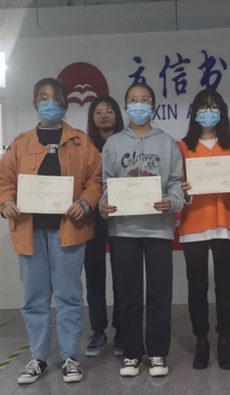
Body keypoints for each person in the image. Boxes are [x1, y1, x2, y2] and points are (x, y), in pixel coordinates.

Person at [0, 78, 102, 384]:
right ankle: (39, 357)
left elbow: (96, 179)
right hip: (29, 231)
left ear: (65, 102)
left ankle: (70, 357)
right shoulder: (20, 144)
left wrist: (85, 202)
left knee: (69, 296)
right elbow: (4, 181)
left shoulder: (81, 142)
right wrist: (6, 203)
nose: (50, 103)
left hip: (68, 230)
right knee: (34, 298)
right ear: (35, 103)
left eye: (56, 97)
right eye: (43, 97)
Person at [100, 83, 183, 378]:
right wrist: (104, 205)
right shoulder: (113, 144)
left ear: (153, 107)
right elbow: (106, 184)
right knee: (129, 295)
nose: (138, 104)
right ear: (126, 107)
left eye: (144, 99)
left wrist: (172, 201)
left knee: (159, 293)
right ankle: (132, 354)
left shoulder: (167, 143)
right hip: (123, 230)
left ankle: (158, 352)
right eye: (133, 100)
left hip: (158, 229)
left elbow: (175, 182)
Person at [178, 89, 230, 370]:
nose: (209, 112)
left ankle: (224, 340)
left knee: (226, 286)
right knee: (197, 286)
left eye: (214, 106)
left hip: (225, 223)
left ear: (222, 111)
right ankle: (202, 340)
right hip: (193, 223)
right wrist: (184, 191)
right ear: (194, 112)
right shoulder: (183, 147)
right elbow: (177, 187)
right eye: (203, 107)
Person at [84, 96, 124, 357]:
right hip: (91, 218)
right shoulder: (84, 145)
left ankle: (122, 329)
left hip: (121, 215)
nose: (104, 115)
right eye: (98, 112)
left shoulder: (127, 142)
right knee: (94, 276)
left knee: (122, 276)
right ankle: (98, 330)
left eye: (109, 110)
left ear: (117, 114)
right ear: (92, 117)